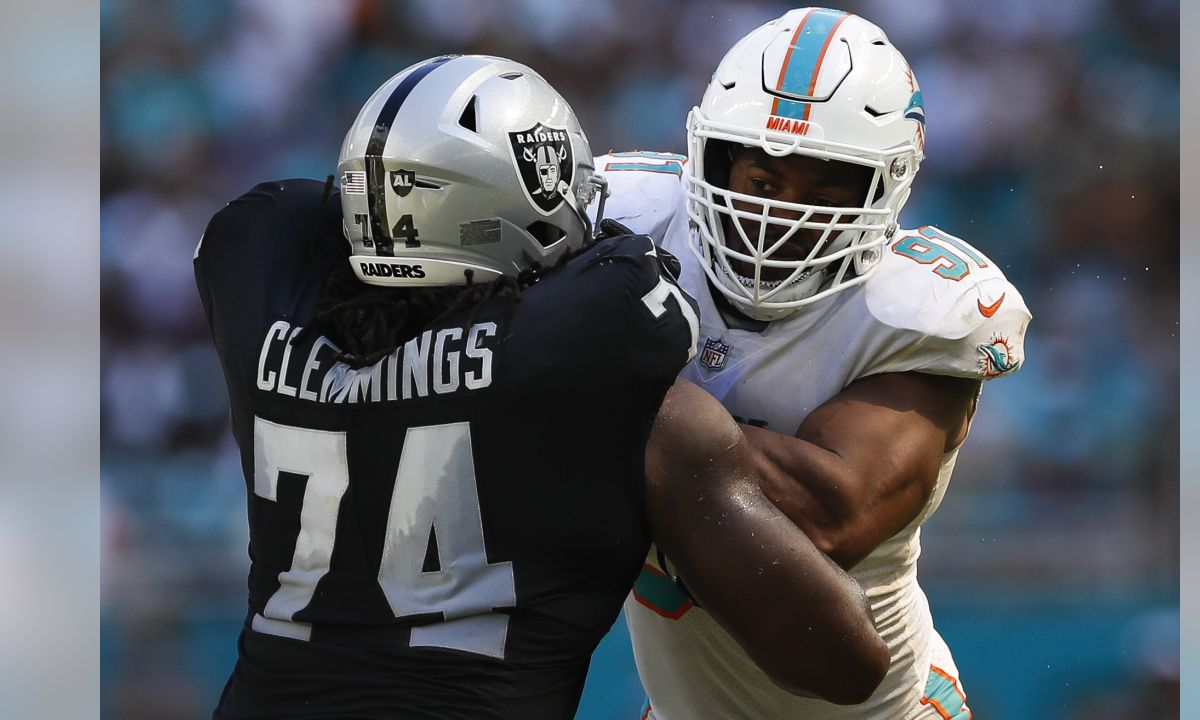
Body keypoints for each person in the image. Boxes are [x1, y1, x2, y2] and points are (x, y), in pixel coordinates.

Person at [195, 54, 886, 719]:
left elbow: (267, 217)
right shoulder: (610, 370)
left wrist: (394, 190)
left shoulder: (266, 328)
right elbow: (846, 665)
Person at [594, 8, 1032, 719]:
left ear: (884, 191)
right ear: (712, 157)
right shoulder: (628, 214)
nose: (783, 219)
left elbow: (831, 518)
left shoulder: (913, 309)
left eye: (826, 195)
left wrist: (610, 391)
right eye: (762, 182)